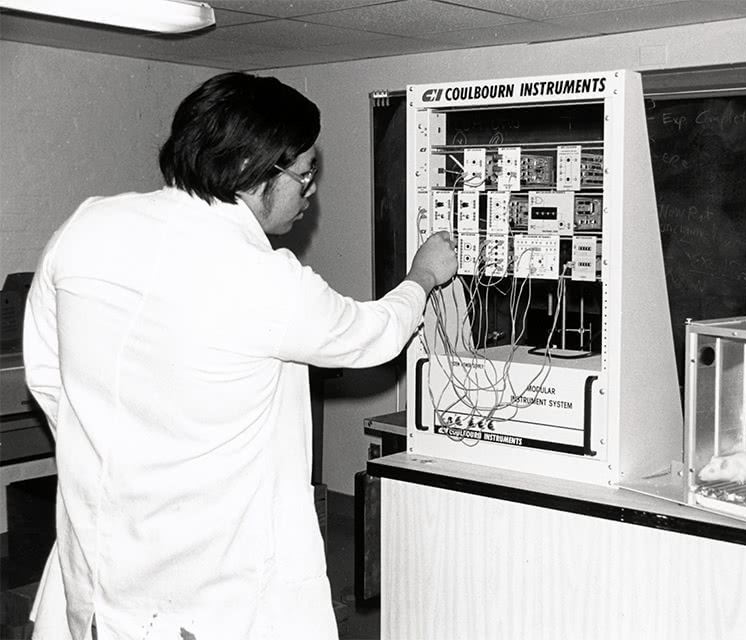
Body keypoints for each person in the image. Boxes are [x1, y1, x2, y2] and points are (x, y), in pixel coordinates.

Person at [23, 72, 457, 640]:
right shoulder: (258, 277)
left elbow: (48, 378)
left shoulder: (89, 225)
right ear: (256, 176)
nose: (310, 193)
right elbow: (369, 333)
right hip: (210, 595)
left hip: (101, 573)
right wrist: (422, 275)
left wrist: (121, 448)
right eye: (304, 175)